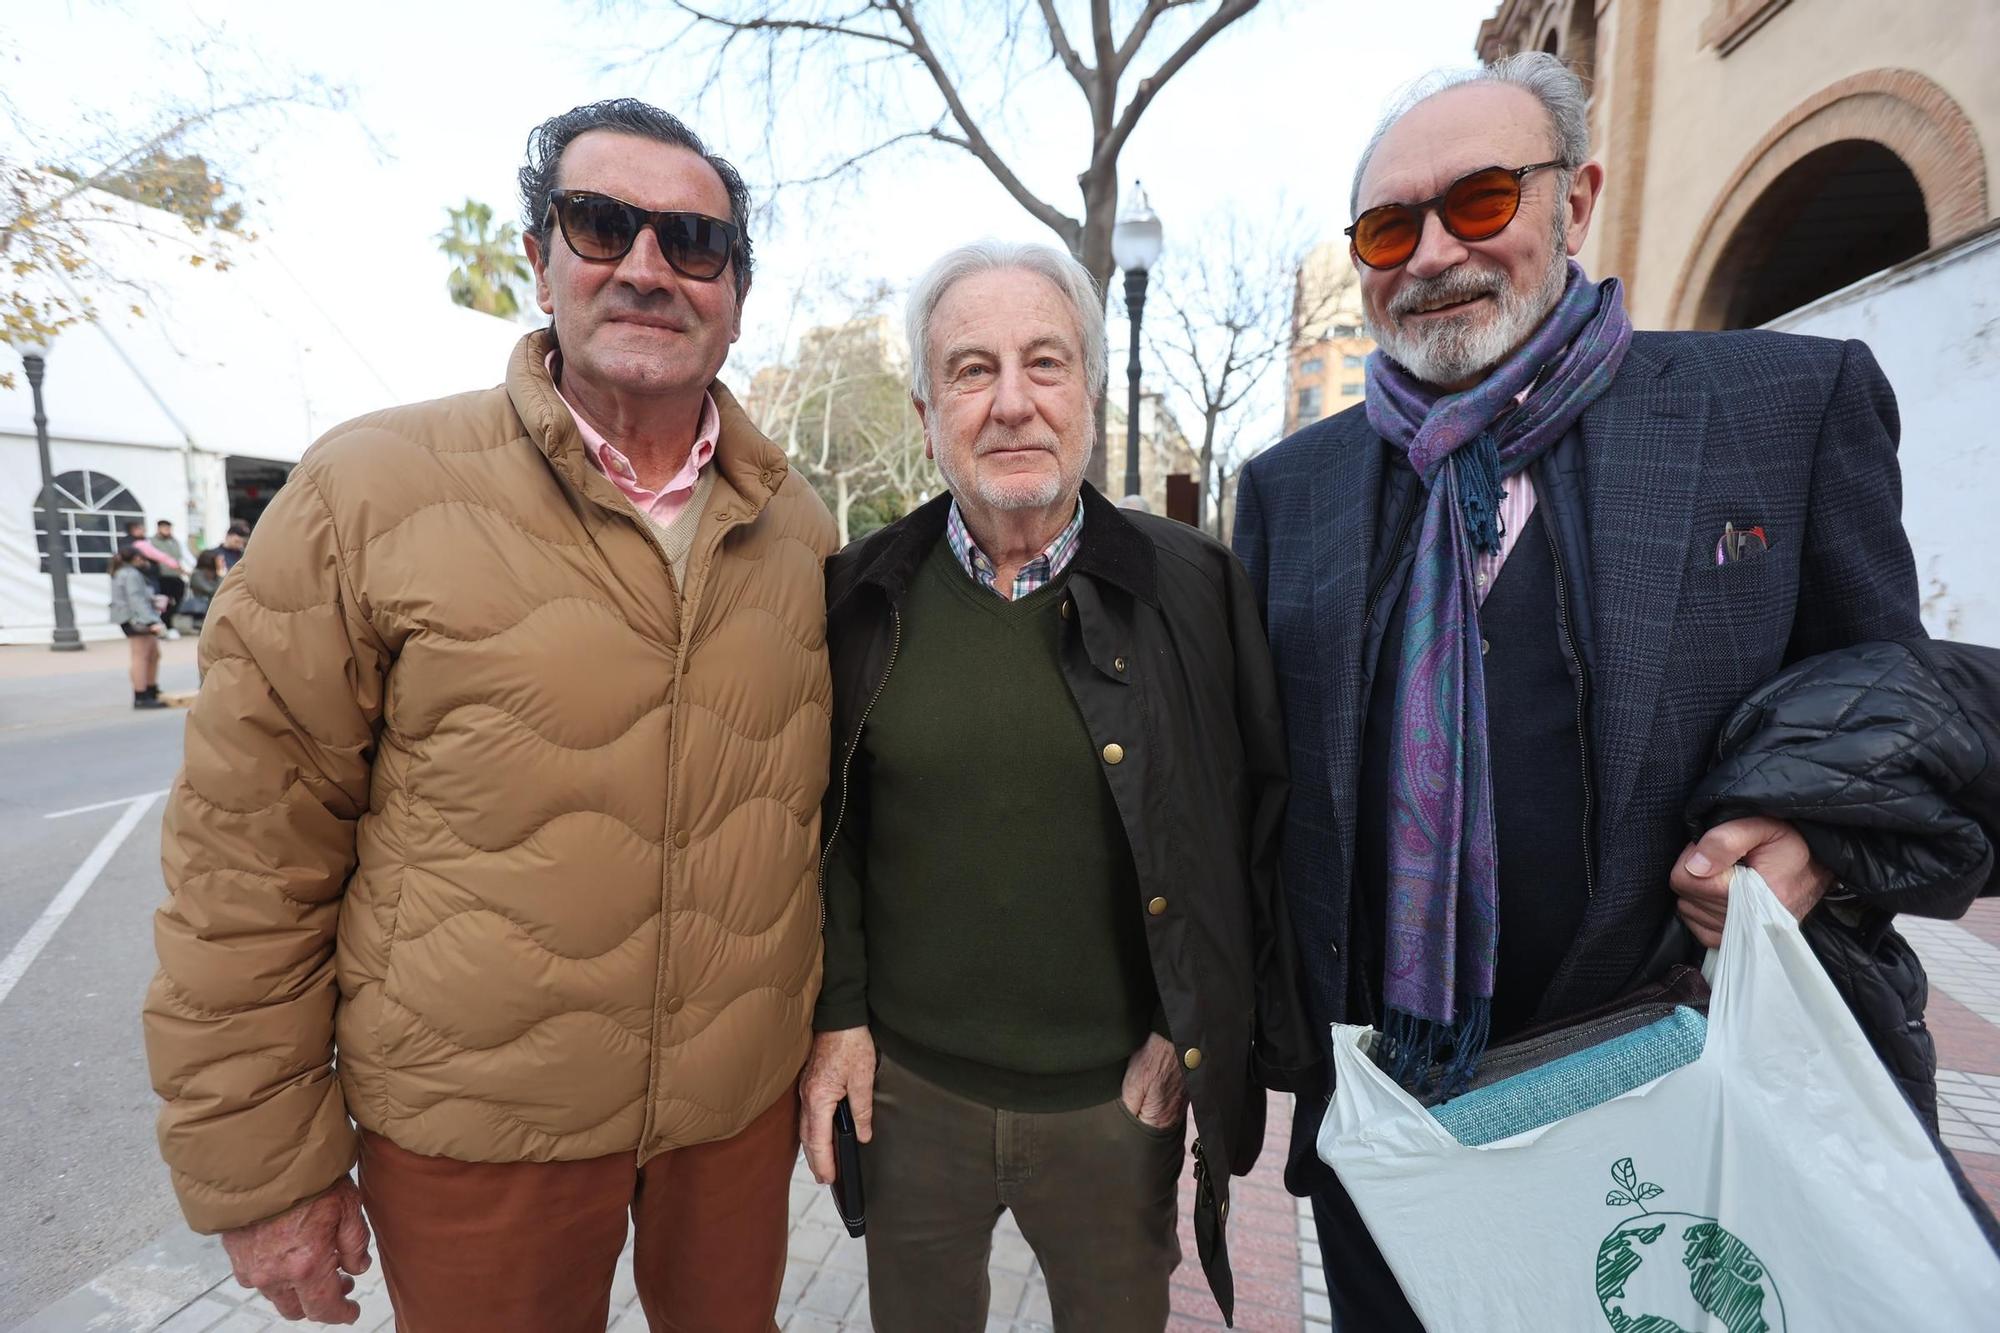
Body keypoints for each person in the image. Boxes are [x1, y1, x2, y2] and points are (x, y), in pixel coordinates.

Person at [1232, 53, 1926, 1328]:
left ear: (1575, 199)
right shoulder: (1292, 490)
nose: (1432, 251)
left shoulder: (1782, 406)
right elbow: (1262, 790)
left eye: (1481, 199)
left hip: (1688, 1113)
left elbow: (1900, 718)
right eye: (1390, 225)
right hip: (1401, 1132)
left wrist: (1822, 838)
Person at [143, 99, 836, 1332]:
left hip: (730, 1126)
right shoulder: (369, 490)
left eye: (691, 241)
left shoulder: (799, 530)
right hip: (473, 1139)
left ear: (734, 292)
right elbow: (246, 858)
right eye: (600, 222)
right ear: (539, 256)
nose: (643, 266)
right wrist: (264, 1170)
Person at [800, 240, 1317, 1333]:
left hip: (1112, 1107)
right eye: (971, 370)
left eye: (1044, 362)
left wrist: (1192, 1028)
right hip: (912, 1101)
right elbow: (829, 829)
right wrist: (839, 1020)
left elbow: (1244, 828)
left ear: (1086, 388)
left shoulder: (1193, 589)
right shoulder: (860, 593)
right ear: (925, 407)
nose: (1011, 403)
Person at [109, 543, 168, 709]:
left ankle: (149, 689)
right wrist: (152, 620)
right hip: (136, 619)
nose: (145, 562)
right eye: (143, 558)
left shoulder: (121, 572)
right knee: (141, 656)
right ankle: (141, 694)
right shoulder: (131, 574)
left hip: (132, 617)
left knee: (152, 654)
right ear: (136, 558)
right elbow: (136, 600)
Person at [183, 547, 226, 627]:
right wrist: (220, 574)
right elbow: (214, 591)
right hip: (201, 609)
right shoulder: (197, 575)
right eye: (219, 560)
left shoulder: (216, 574)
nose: (222, 562)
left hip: (213, 607)